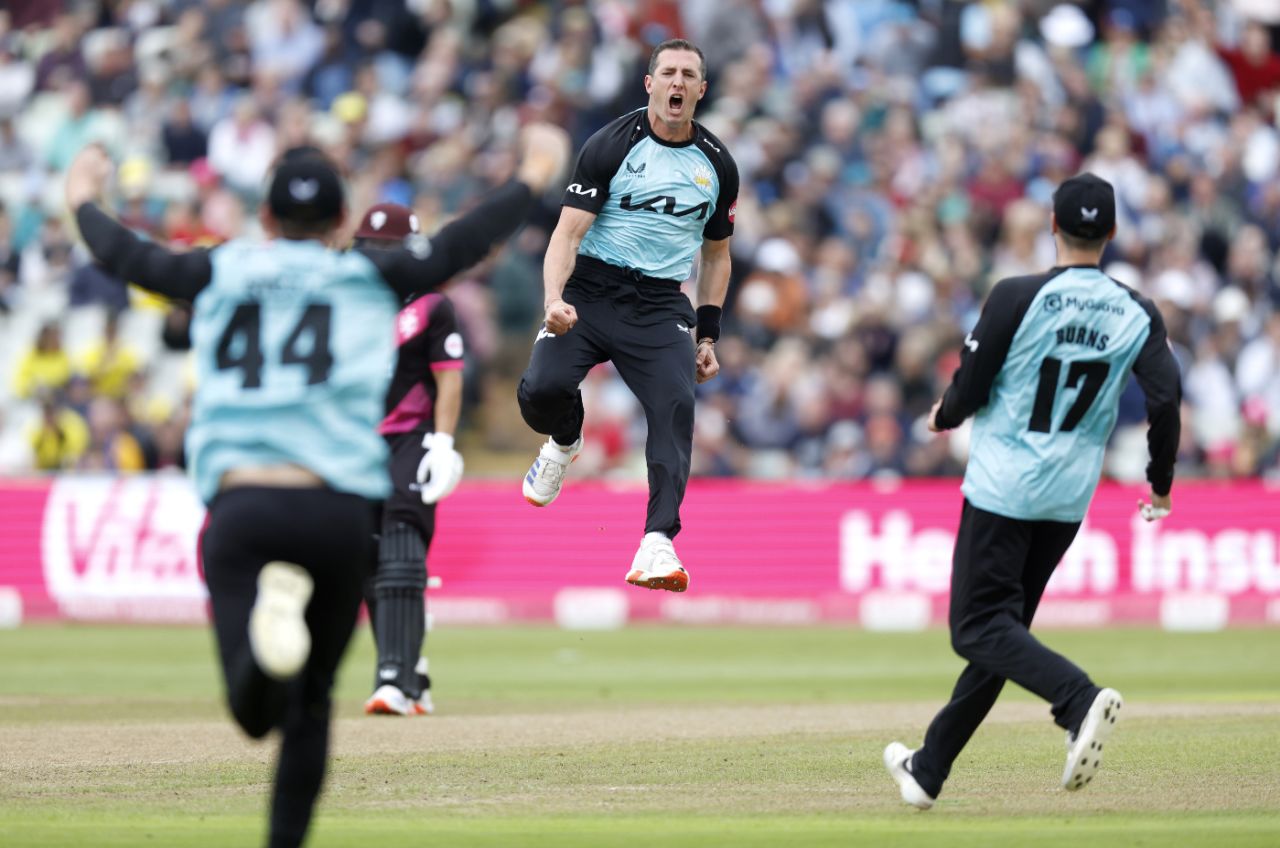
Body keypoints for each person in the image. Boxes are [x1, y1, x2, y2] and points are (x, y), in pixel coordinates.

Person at [63, 126, 568, 848]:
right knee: (313, 707)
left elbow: (127, 255)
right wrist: (534, 171)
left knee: (255, 713)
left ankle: (270, 649)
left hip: (243, 504)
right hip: (336, 510)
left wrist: (83, 194)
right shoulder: (364, 276)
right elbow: (463, 242)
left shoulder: (221, 268)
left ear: (266, 217)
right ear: (340, 222)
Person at [883, 173, 1182, 809]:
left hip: (1004, 486)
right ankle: (929, 767)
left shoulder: (1018, 295)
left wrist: (942, 416)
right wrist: (1160, 484)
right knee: (1005, 632)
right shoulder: (1136, 311)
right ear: (1112, 232)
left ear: (1052, 226)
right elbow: (1165, 399)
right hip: (1068, 497)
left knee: (976, 629)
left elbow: (971, 383)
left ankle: (1078, 699)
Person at [517, 38, 738, 593]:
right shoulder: (610, 144)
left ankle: (658, 540)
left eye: (688, 74)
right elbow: (566, 234)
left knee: (675, 406)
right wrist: (553, 299)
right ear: (650, 83)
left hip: (659, 304)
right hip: (591, 290)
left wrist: (709, 335)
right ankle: (564, 440)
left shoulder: (717, 164)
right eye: (668, 73)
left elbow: (716, 255)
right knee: (540, 392)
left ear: (702, 89)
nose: (677, 82)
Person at [352, 202, 465, 717]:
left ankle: (393, 678)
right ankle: (410, 669)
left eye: (387, 249)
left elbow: (449, 378)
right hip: (355, 440)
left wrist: (442, 442)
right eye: (370, 248)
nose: (377, 259)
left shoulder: (430, 305)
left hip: (410, 436)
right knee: (367, 557)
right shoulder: (346, 300)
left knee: (400, 544)